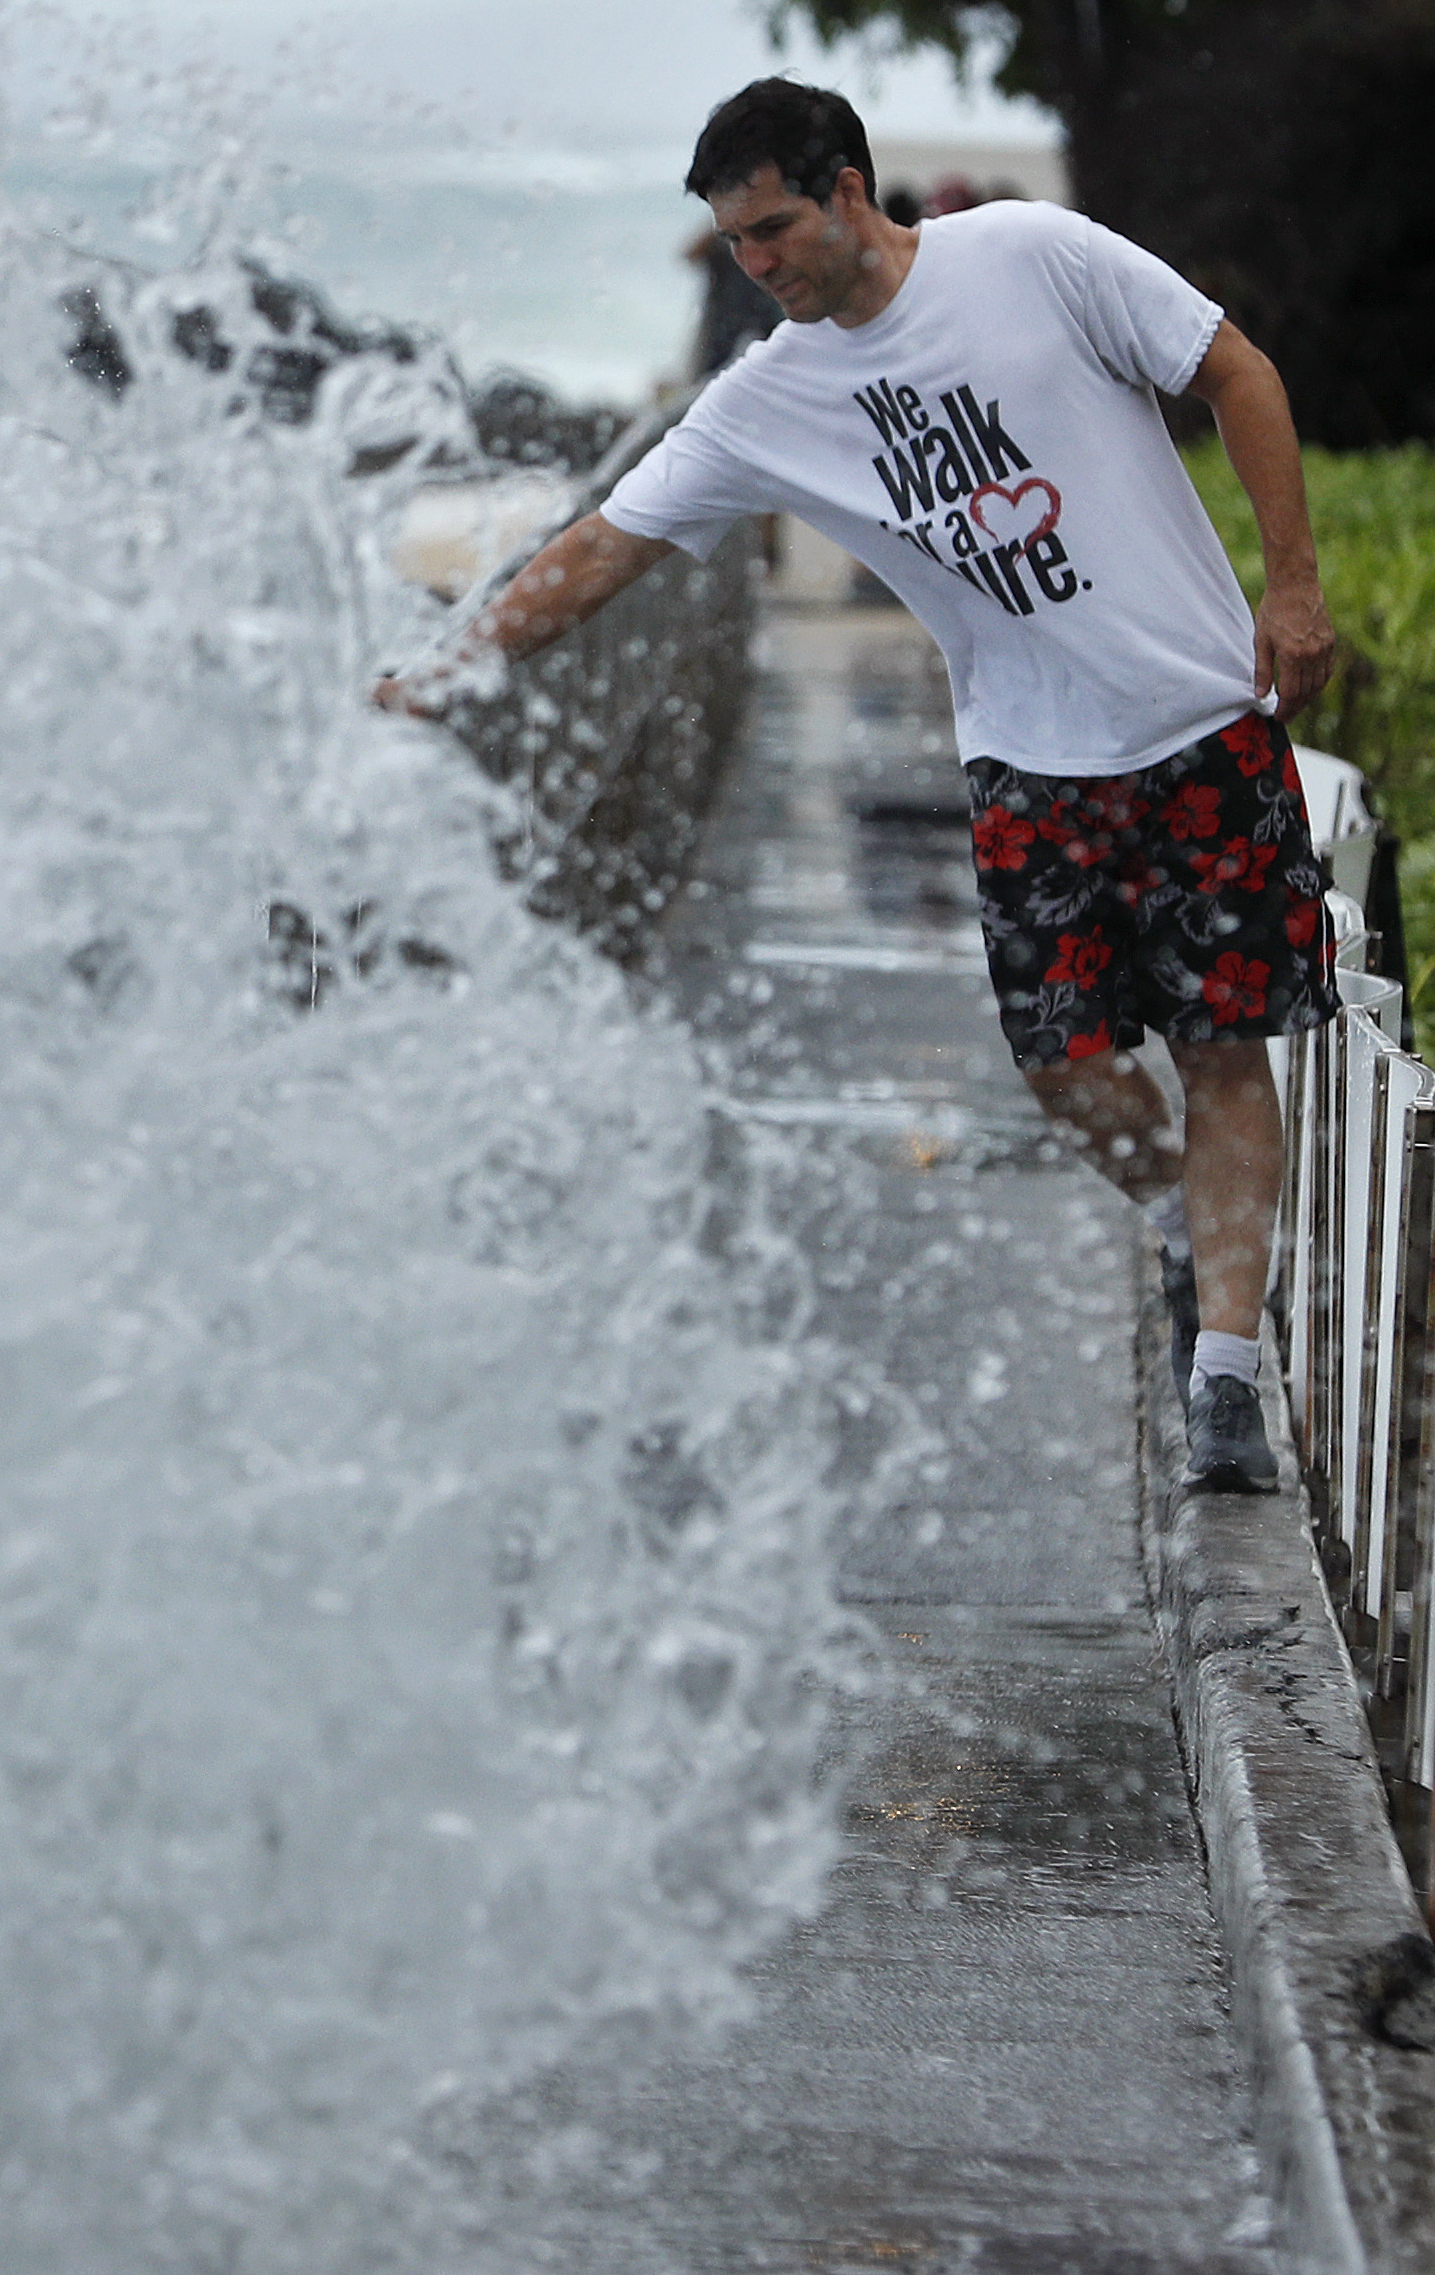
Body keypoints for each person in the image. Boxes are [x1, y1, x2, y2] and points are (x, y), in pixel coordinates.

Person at [376, 79, 1339, 1494]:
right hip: (1027, 759)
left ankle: (1226, 1381)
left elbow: (1233, 368)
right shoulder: (766, 397)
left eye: (771, 229)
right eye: (734, 243)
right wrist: (447, 663)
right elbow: (600, 546)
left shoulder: (1032, 257)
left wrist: (1294, 586)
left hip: (1198, 719)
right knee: (1062, 1065)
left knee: (1217, 1044)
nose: (755, 265)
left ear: (842, 190)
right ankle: (1178, 1222)